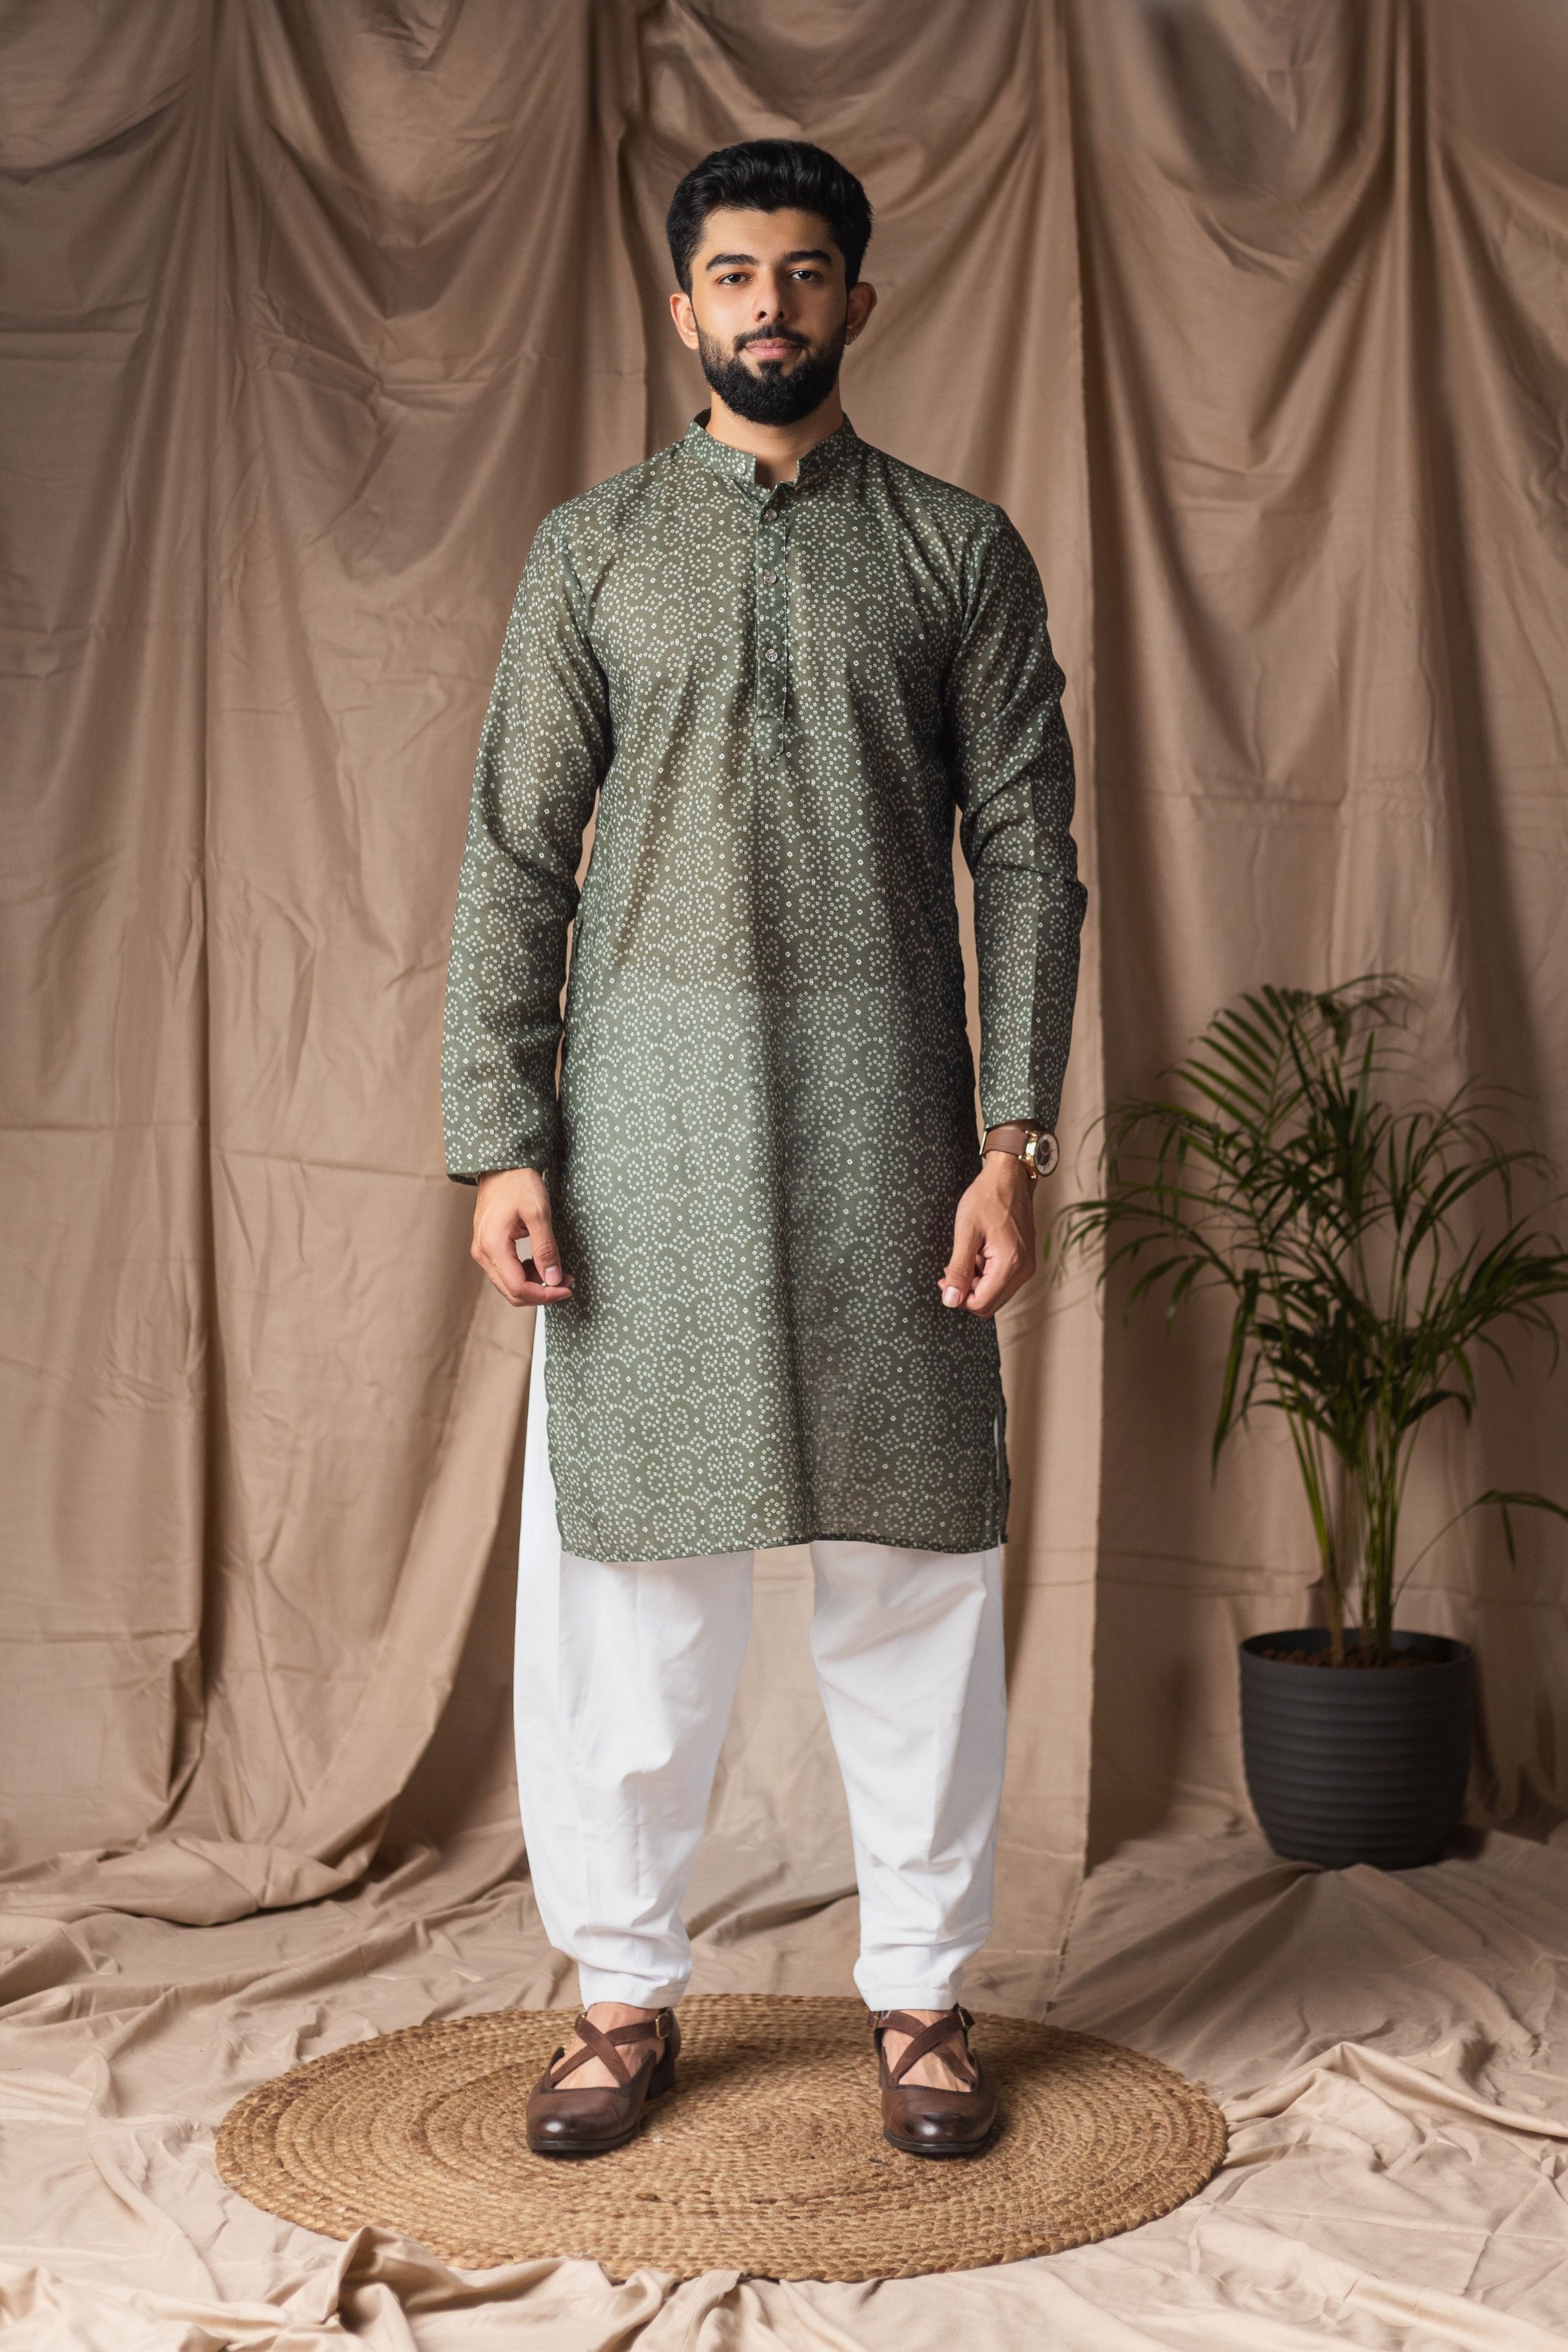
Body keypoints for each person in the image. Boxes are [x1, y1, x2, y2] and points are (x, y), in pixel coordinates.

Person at [442, 138, 1085, 2160]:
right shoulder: (593, 551)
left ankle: (922, 1999)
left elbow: (1027, 853)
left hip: (895, 1129)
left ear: (855, 303)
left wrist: (1012, 1135)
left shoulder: (956, 550)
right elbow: (512, 854)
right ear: (682, 306)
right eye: (733, 274)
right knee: (632, 1587)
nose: (769, 306)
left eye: (804, 273)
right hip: (642, 1136)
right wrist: (499, 1139)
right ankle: (619, 2000)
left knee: (912, 1579)